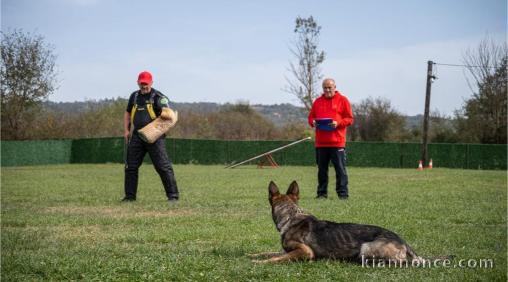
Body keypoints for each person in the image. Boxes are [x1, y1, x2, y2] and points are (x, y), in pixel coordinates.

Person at [122, 71, 179, 203]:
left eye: (146, 84)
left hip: (155, 137)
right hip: (137, 135)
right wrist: (126, 130)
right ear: (138, 83)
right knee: (130, 166)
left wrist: (158, 130)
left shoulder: (158, 97)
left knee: (162, 166)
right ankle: (130, 197)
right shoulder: (134, 96)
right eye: (142, 84)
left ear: (151, 83)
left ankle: (173, 196)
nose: (144, 86)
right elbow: (128, 112)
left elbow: (168, 115)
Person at [308, 78, 353, 199]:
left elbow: (349, 119)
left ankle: (343, 194)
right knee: (322, 171)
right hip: (321, 143)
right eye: (325, 87)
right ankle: (322, 194)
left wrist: (337, 123)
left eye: (329, 87)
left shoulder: (343, 100)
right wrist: (313, 122)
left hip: (337, 143)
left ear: (335, 87)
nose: (327, 90)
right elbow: (311, 117)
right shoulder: (317, 101)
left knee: (340, 170)